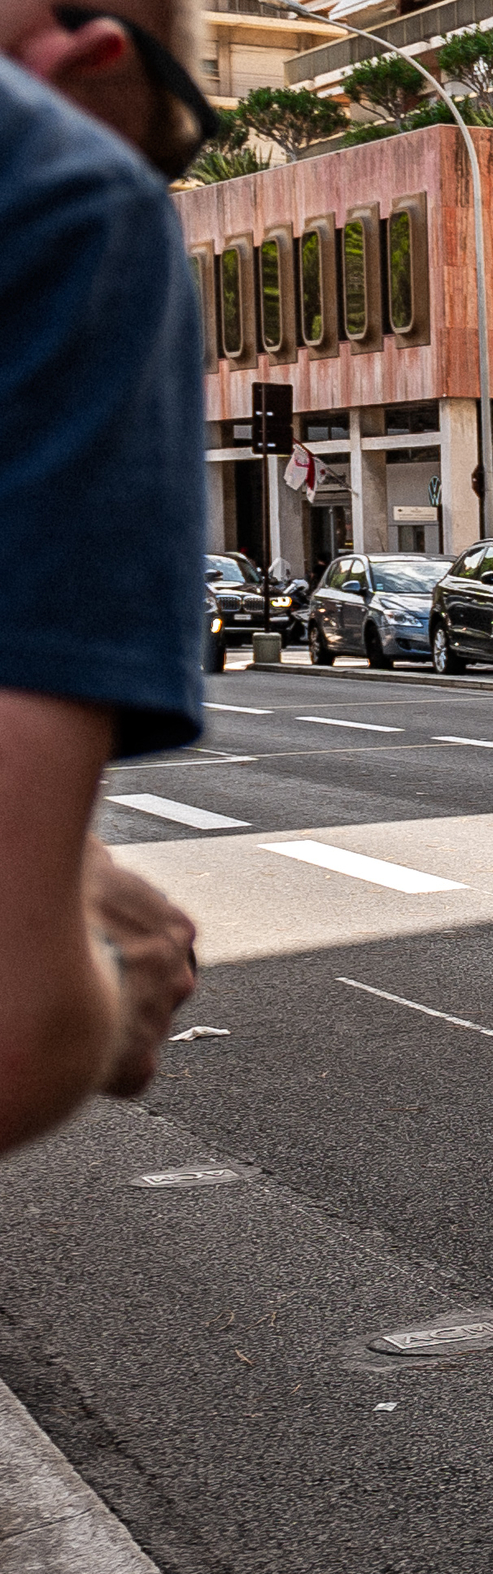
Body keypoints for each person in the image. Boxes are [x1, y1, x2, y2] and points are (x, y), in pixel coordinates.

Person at [0, 0, 213, 1154]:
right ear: (92, 59)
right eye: (168, 148)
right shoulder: (61, 195)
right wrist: (109, 975)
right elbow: (9, 1035)